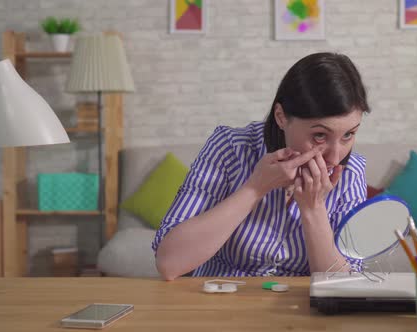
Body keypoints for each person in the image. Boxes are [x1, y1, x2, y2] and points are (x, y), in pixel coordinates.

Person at [153, 52, 371, 280]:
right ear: (281, 117)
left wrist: (313, 209)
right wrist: (255, 188)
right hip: (219, 300)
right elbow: (169, 263)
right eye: (319, 135)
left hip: (300, 309)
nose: (335, 157)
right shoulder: (230, 148)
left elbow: (343, 284)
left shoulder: (351, 172)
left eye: (348, 135)